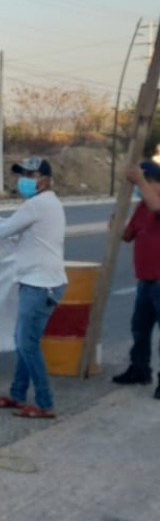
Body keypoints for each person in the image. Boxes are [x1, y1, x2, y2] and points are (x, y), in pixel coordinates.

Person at [0, 157, 67, 419]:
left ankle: (44, 402)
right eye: (23, 174)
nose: (25, 179)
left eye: (31, 174)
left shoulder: (39, 204)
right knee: (25, 343)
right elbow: (15, 224)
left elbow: (4, 230)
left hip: (41, 285)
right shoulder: (42, 204)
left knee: (27, 345)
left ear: (46, 179)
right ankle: (18, 394)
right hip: (41, 283)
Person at [112, 161, 160, 400]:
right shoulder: (143, 206)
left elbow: (157, 209)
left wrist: (140, 179)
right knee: (140, 329)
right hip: (146, 280)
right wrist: (118, 227)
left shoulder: (155, 203)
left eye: (145, 183)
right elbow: (129, 235)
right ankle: (139, 369)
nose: (141, 189)